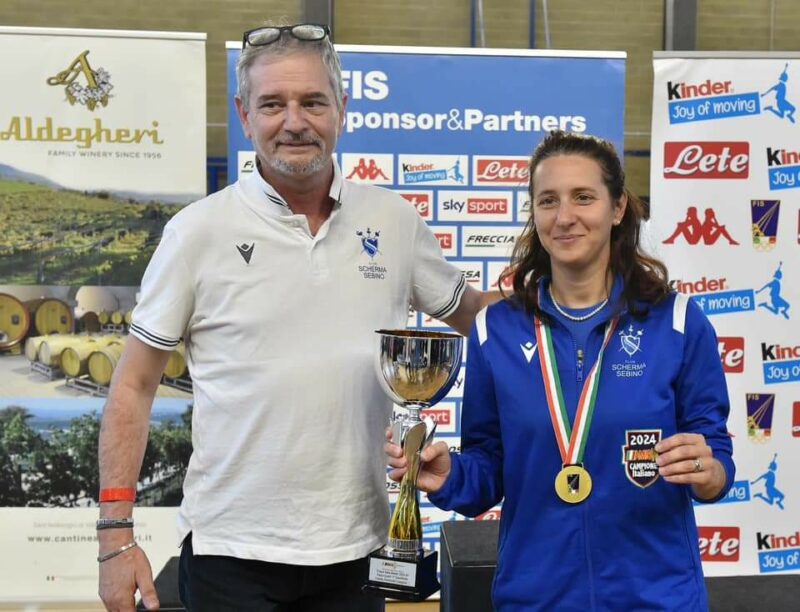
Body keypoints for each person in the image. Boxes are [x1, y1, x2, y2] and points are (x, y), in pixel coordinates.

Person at [97, 22, 498, 612]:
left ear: (343, 107)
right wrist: (114, 539)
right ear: (243, 114)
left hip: (358, 550)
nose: (294, 122)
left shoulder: (393, 220)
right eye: (272, 104)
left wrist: (585, 295)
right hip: (231, 555)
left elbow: (476, 318)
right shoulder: (196, 233)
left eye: (313, 101)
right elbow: (132, 387)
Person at [387, 131, 735, 611]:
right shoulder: (496, 331)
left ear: (617, 209)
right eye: (547, 200)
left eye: (583, 197)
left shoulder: (677, 323)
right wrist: (449, 477)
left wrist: (708, 471)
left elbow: (715, 456)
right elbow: (489, 468)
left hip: (656, 597)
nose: (565, 216)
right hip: (536, 598)